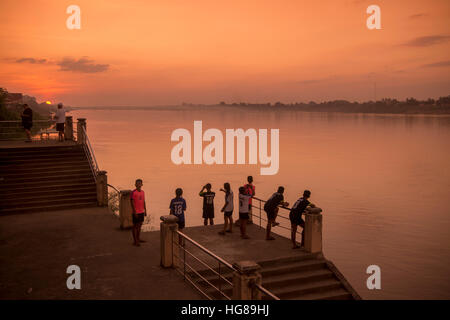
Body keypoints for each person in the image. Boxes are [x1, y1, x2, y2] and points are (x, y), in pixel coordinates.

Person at [130, 179, 147, 247]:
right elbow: (132, 202)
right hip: (136, 212)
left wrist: (145, 210)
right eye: (137, 183)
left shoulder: (143, 192)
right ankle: (135, 241)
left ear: (142, 184)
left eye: (140, 183)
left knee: (139, 226)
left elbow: (144, 201)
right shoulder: (133, 192)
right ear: (135, 184)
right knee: (135, 226)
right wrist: (135, 212)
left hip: (141, 212)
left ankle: (138, 238)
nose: (139, 184)